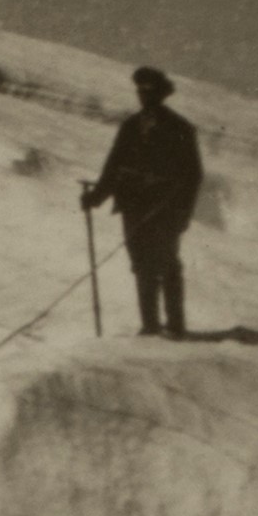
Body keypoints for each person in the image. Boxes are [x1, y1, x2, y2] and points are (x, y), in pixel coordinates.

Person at [82, 65, 204, 338]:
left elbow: (193, 175)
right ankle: (150, 326)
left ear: (161, 94)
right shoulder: (130, 126)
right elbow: (114, 166)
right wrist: (96, 197)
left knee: (167, 263)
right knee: (140, 263)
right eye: (140, 91)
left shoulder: (180, 128)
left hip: (165, 208)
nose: (144, 96)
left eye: (149, 91)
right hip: (133, 204)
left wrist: (182, 213)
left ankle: (175, 326)